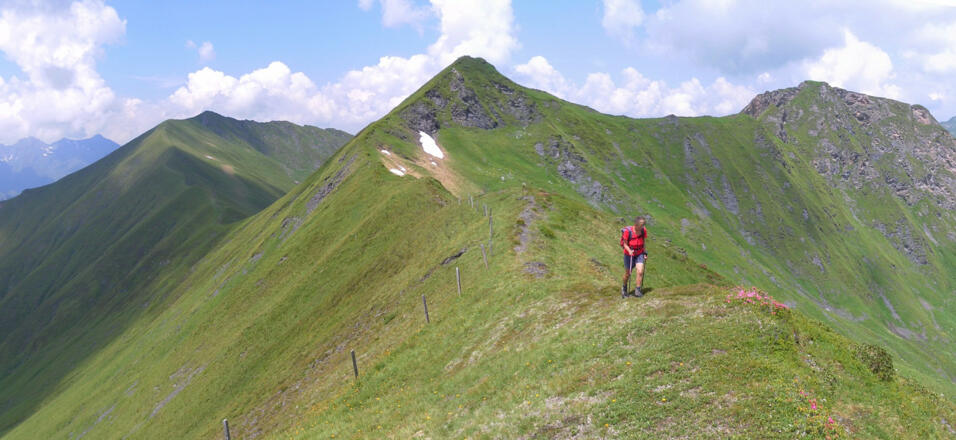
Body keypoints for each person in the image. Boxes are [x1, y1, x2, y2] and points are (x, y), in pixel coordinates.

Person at [620, 216, 648, 298]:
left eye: (643, 225)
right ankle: (624, 288)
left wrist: (645, 252)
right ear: (636, 224)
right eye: (641, 225)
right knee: (628, 273)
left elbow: (643, 242)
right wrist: (629, 250)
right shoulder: (628, 232)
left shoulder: (643, 231)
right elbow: (624, 244)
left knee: (640, 271)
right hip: (629, 255)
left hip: (639, 253)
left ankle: (637, 290)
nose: (643, 227)